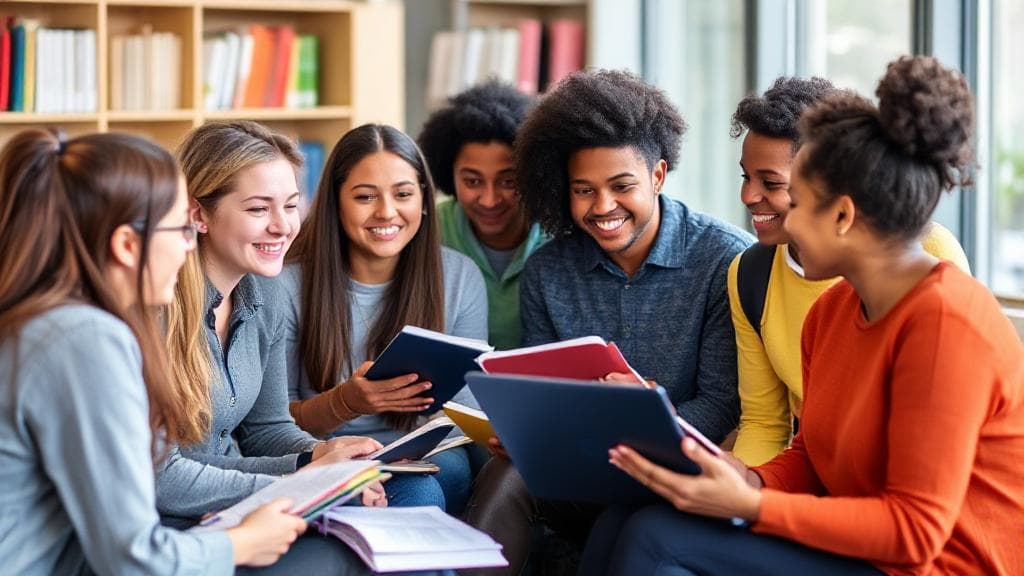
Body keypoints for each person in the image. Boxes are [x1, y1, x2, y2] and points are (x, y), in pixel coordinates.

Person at [593, 55, 1024, 575]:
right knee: (629, 516)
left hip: (939, 564)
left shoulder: (947, 322)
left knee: (658, 539)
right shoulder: (831, 313)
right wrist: (746, 478)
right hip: (862, 548)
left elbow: (914, 533)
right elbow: (812, 455)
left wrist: (754, 506)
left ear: (842, 215)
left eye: (796, 204)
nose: (785, 224)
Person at [462, 69, 753, 574]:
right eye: (583, 190)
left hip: (672, 466)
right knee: (505, 472)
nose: (602, 207)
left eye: (622, 186)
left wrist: (651, 414)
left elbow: (721, 403)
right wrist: (523, 431)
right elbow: (541, 392)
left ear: (658, 175)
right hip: (578, 465)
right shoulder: (548, 270)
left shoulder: (723, 260)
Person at [0, 129, 305, 574]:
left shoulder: (52, 320)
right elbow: (133, 557)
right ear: (127, 245)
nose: (188, 247)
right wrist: (242, 543)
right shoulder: (86, 339)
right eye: (181, 228)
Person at [160, 121, 446, 574]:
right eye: (259, 209)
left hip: (246, 504)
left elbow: (267, 428)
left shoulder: (264, 292)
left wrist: (321, 457)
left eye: (291, 205)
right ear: (199, 214)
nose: (283, 226)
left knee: (415, 491)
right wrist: (302, 479)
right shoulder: (158, 307)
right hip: (183, 526)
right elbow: (163, 479)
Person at [726, 76, 971, 466]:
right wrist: (743, 485)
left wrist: (757, 495)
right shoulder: (755, 278)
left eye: (772, 183)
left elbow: (935, 453)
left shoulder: (929, 258)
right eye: (745, 177)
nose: (747, 196)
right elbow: (772, 427)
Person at [281, 123, 489, 516]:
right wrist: (345, 402)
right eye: (365, 196)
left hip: (425, 450)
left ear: (424, 200)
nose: (387, 212)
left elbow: (464, 408)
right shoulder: (287, 285)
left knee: (450, 473)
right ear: (335, 203)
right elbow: (273, 422)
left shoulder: (460, 277)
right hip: (324, 453)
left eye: (403, 194)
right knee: (422, 493)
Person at [418, 80, 546, 350]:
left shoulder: (558, 233)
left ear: (531, 174)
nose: (490, 199)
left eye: (508, 181)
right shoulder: (429, 230)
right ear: (449, 175)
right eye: (472, 181)